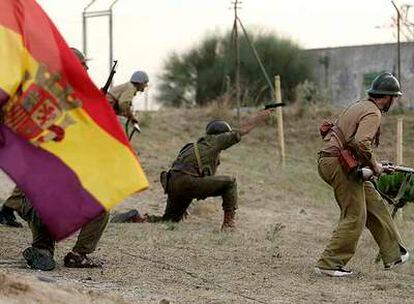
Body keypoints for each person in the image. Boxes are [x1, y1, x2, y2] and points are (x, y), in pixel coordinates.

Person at [0, 47, 109, 270]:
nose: (87, 69)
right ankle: (79, 255)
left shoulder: (38, 97)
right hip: (54, 197)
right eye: (84, 65)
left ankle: (42, 248)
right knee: (101, 204)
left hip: (32, 201)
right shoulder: (76, 103)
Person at [111, 109, 275, 229]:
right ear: (221, 135)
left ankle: (136, 218)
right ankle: (229, 225)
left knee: (168, 221)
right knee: (230, 182)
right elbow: (242, 130)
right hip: (186, 182)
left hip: (174, 183)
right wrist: (263, 115)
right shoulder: (215, 141)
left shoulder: (196, 145)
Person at [315, 72, 409, 277]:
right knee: (355, 214)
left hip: (337, 161)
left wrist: (376, 165)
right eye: (394, 97)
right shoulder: (374, 112)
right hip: (338, 164)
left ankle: (394, 254)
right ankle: (329, 264)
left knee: (374, 203)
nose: (394, 101)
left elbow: (354, 143)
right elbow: (361, 143)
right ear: (388, 97)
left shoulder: (360, 105)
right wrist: (375, 167)